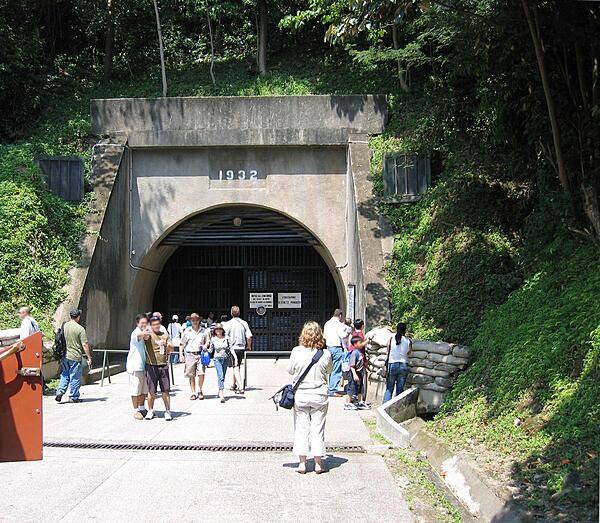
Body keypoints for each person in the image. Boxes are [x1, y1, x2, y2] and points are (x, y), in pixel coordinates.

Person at [287, 321, 332, 474]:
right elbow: (330, 370)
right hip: (319, 395)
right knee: (318, 429)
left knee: (301, 428)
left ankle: (302, 464)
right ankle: (318, 464)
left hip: (301, 395)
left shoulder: (296, 351)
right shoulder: (325, 353)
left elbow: (290, 370)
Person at [55, 309, 92, 403]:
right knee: (75, 376)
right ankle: (74, 396)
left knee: (65, 374)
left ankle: (60, 392)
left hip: (64, 355)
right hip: (75, 356)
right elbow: (85, 344)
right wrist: (89, 357)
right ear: (78, 317)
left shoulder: (64, 326)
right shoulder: (80, 329)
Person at [144, 315, 174, 420]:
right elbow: (144, 336)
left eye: (157, 324)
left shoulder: (165, 334)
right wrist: (147, 329)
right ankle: (150, 410)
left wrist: (166, 344)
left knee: (165, 390)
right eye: (154, 325)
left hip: (163, 365)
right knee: (151, 390)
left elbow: (171, 349)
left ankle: (167, 411)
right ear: (151, 325)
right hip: (151, 365)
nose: (156, 326)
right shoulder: (149, 334)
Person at [180, 313, 210, 400]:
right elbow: (182, 343)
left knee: (201, 373)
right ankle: (193, 392)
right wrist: (181, 354)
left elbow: (208, 341)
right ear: (190, 321)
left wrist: (205, 345)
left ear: (199, 320)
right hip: (190, 354)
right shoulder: (187, 331)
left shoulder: (204, 331)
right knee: (191, 375)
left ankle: (200, 390)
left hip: (200, 354)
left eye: (196, 320)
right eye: (193, 320)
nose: (195, 321)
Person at [222, 305, 252, 394]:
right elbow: (249, 336)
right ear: (239, 313)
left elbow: (225, 336)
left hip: (232, 348)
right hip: (241, 347)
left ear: (231, 313)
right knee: (237, 365)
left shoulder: (228, 324)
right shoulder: (244, 323)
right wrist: (249, 346)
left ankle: (240, 386)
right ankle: (233, 384)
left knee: (235, 367)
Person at [127, 314, 149, 420]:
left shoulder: (145, 334)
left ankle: (142, 407)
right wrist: (146, 331)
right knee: (136, 389)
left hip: (144, 366)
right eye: (142, 323)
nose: (144, 325)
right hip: (135, 366)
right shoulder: (135, 333)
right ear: (138, 323)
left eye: (145, 323)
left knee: (144, 389)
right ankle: (135, 410)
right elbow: (140, 336)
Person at [383, 322, 412, 402]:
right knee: (400, 390)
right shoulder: (408, 340)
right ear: (405, 330)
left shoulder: (391, 338)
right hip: (403, 365)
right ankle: (396, 409)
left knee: (389, 389)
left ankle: (385, 408)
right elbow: (409, 353)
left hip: (392, 364)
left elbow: (387, 349)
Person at [323, 308, 346, 395]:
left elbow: (324, 336)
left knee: (329, 369)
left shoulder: (327, 324)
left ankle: (329, 387)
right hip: (337, 348)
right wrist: (347, 332)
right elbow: (342, 335)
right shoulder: (339, 324)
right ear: (340, 316)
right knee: (337, 369)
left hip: (329, 348)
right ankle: (333, 389)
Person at [209, 324, 232, 403]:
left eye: (220, 329)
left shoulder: (227, 338)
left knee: (223, 376)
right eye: (217, 329)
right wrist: (204, 349)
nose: (218, 330)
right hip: (217, 359)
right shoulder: (213, 339)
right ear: (215, 331)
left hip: (225, 358)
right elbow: (211, 350)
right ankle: (221, 393)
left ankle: (220, 389)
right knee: (220, 375)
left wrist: (234, 358)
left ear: (222, 330)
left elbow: (230, 348)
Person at [345, 335, 369, 410]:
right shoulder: (354, 353)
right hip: (353, 373)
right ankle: (347, 403)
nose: (362, 344)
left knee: (360, 388)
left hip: (360, 373)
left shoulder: (359, 352)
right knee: (351, 388)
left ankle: (360, 402)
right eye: (360, 343)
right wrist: (354, 375)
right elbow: (352, 365)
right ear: (355, 344)